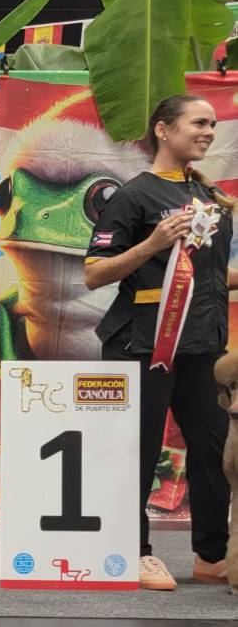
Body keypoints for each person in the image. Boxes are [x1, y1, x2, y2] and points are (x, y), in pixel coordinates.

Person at [84, 93, 237, 591]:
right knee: (138, 452)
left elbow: (207, 276)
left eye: (212, 124)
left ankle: (211, 556)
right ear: (163, 130)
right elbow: (94, 274)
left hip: (203, 348)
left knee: (215, 453)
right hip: (142, 345)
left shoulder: (209, 197)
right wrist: (152, 244)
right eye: (198, 123)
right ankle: (134, 553)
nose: (208, 132)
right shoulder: (132, 197)